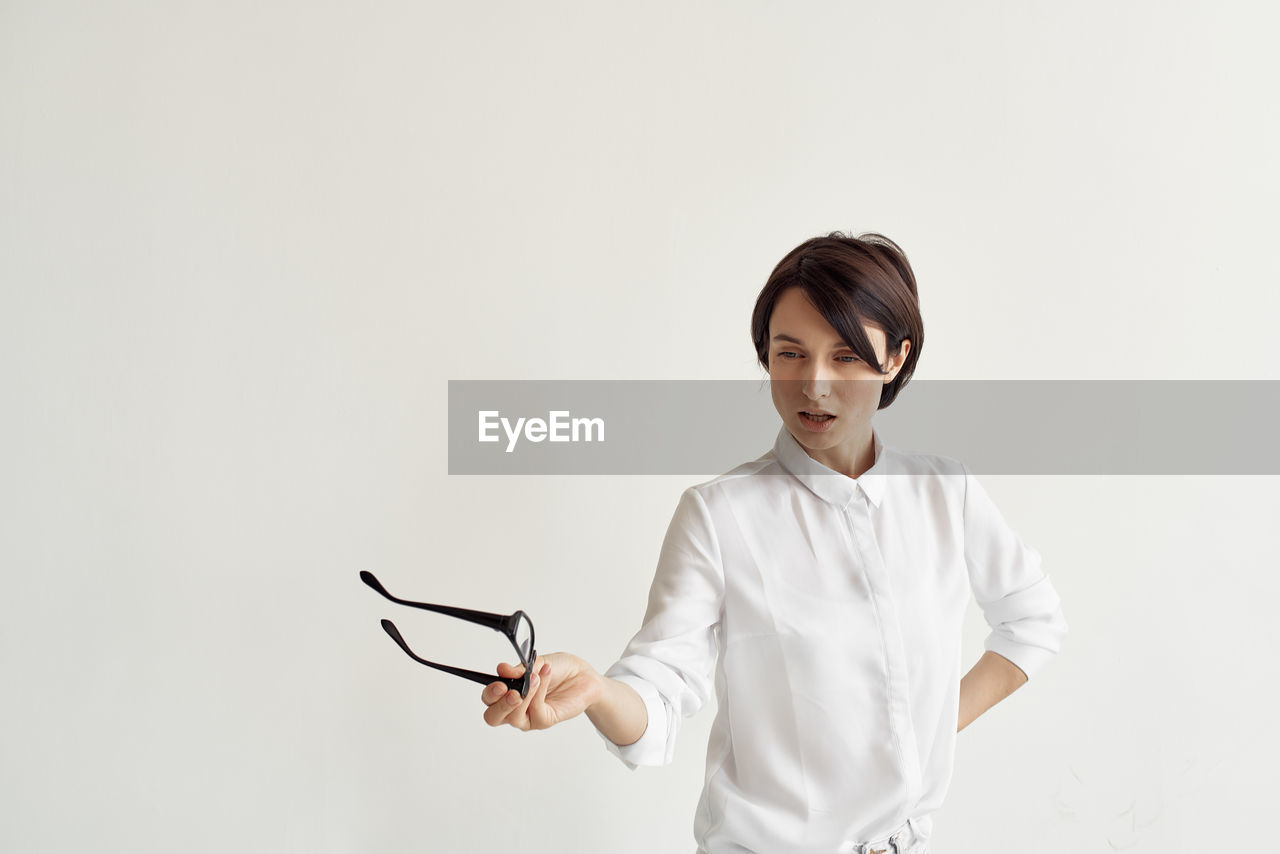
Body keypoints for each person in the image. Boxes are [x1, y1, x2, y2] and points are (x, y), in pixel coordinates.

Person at [479, 232, 1069, 854]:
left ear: (896, 357)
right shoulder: (718, 515)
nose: (813, 384)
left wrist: (924, 737)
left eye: (845, 356)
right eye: (790, 354)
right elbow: (658, 690)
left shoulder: (945, 493)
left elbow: (1032, 624)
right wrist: (597, 691)